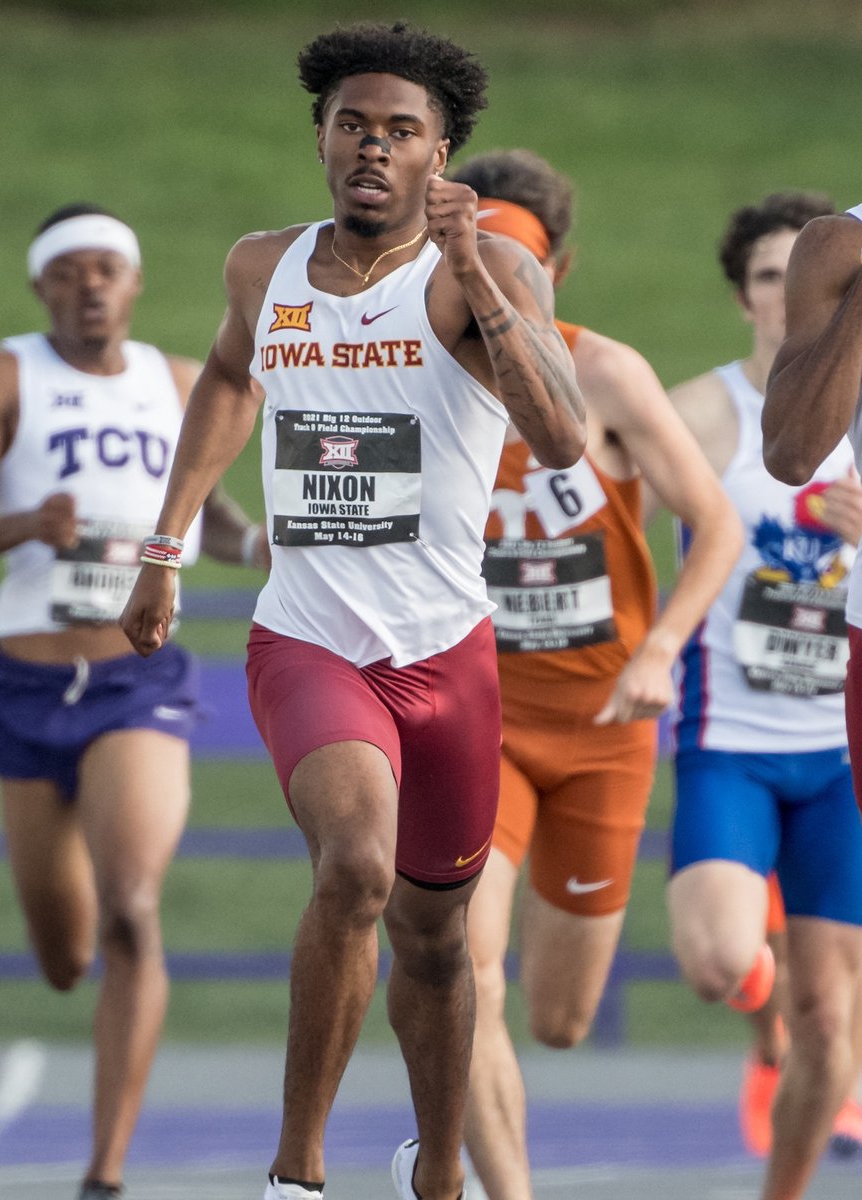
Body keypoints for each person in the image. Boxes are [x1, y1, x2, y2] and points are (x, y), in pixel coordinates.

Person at [119, 22, 586, 1200]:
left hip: (448, 654)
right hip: (310, 638)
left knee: (436, 937)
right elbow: (230, 378)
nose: (374, 148)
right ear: (322, 138)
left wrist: (474, 269)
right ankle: (298, 1173)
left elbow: (564, 434)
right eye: (353, 126)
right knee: (357, 870)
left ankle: (435, 1173)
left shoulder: (490, 275)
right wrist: (166, 547)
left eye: (403, 133)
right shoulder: (260, 268)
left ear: (442, 155)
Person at [0, 203, 267, 1200]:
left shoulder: (172, 380)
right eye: (69, 272)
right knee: (67, 955)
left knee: (132, 911)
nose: (90, 287)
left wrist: (253, 545)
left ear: (134, 282)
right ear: (43, 286)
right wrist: (28, 522)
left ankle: (105, 1174)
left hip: (136, 679)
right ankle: (80, 966)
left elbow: (208, 500)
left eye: (106, 270)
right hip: (27, 682)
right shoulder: (3, 376)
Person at [440, 149, 742, 1200]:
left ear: (558, 270)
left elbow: (718, 521)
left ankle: (757, 979)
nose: (500, 293)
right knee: (462, 969)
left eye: (521, 268)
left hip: (606, 723)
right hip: (476, 719)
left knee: (561, 1020)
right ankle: (502, 1188)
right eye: (480, 264)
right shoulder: (421, 373)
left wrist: (661, 647)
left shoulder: (605, 373)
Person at [667, 191, 862, 1200]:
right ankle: (763, 1018)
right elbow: (587, 466)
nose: (793, 294)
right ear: (746, 296)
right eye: (771, 279)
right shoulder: (705, 412)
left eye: (804, 273)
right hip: (730, 734)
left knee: (836, 1021)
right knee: (716, 960)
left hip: (840, 743)